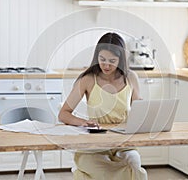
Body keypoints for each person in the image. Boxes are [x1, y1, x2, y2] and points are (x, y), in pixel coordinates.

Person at [58, 32, 148, 180]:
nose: (106, 65)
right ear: (96, 57)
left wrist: (143, 113)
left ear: (121, 60)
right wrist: (83, 122)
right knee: (126, 173)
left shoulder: (131, 78)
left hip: (123, 143)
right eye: (102, 59)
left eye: (112, 60)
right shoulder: (88, 79)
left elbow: (139, 109)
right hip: (94, 145)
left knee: (133, 163)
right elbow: (64, 114)